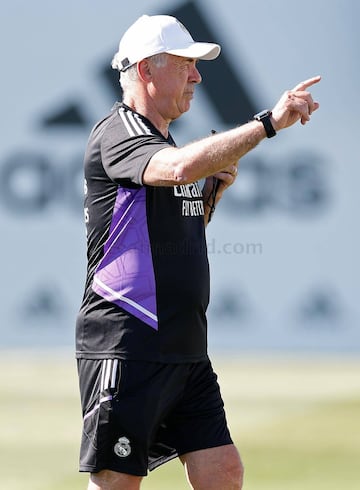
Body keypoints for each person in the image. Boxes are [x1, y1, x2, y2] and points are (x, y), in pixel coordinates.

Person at [76, 14, 320, 490]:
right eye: (186, 64)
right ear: (147, 69)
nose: (197, 76)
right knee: (116, 482)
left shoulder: (158, 139)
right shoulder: (120, 129)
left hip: (185, 345)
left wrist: (211, 196)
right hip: (129, 342)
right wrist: (268, 124)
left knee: (223, 471)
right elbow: (180, 167)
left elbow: (174, 224)